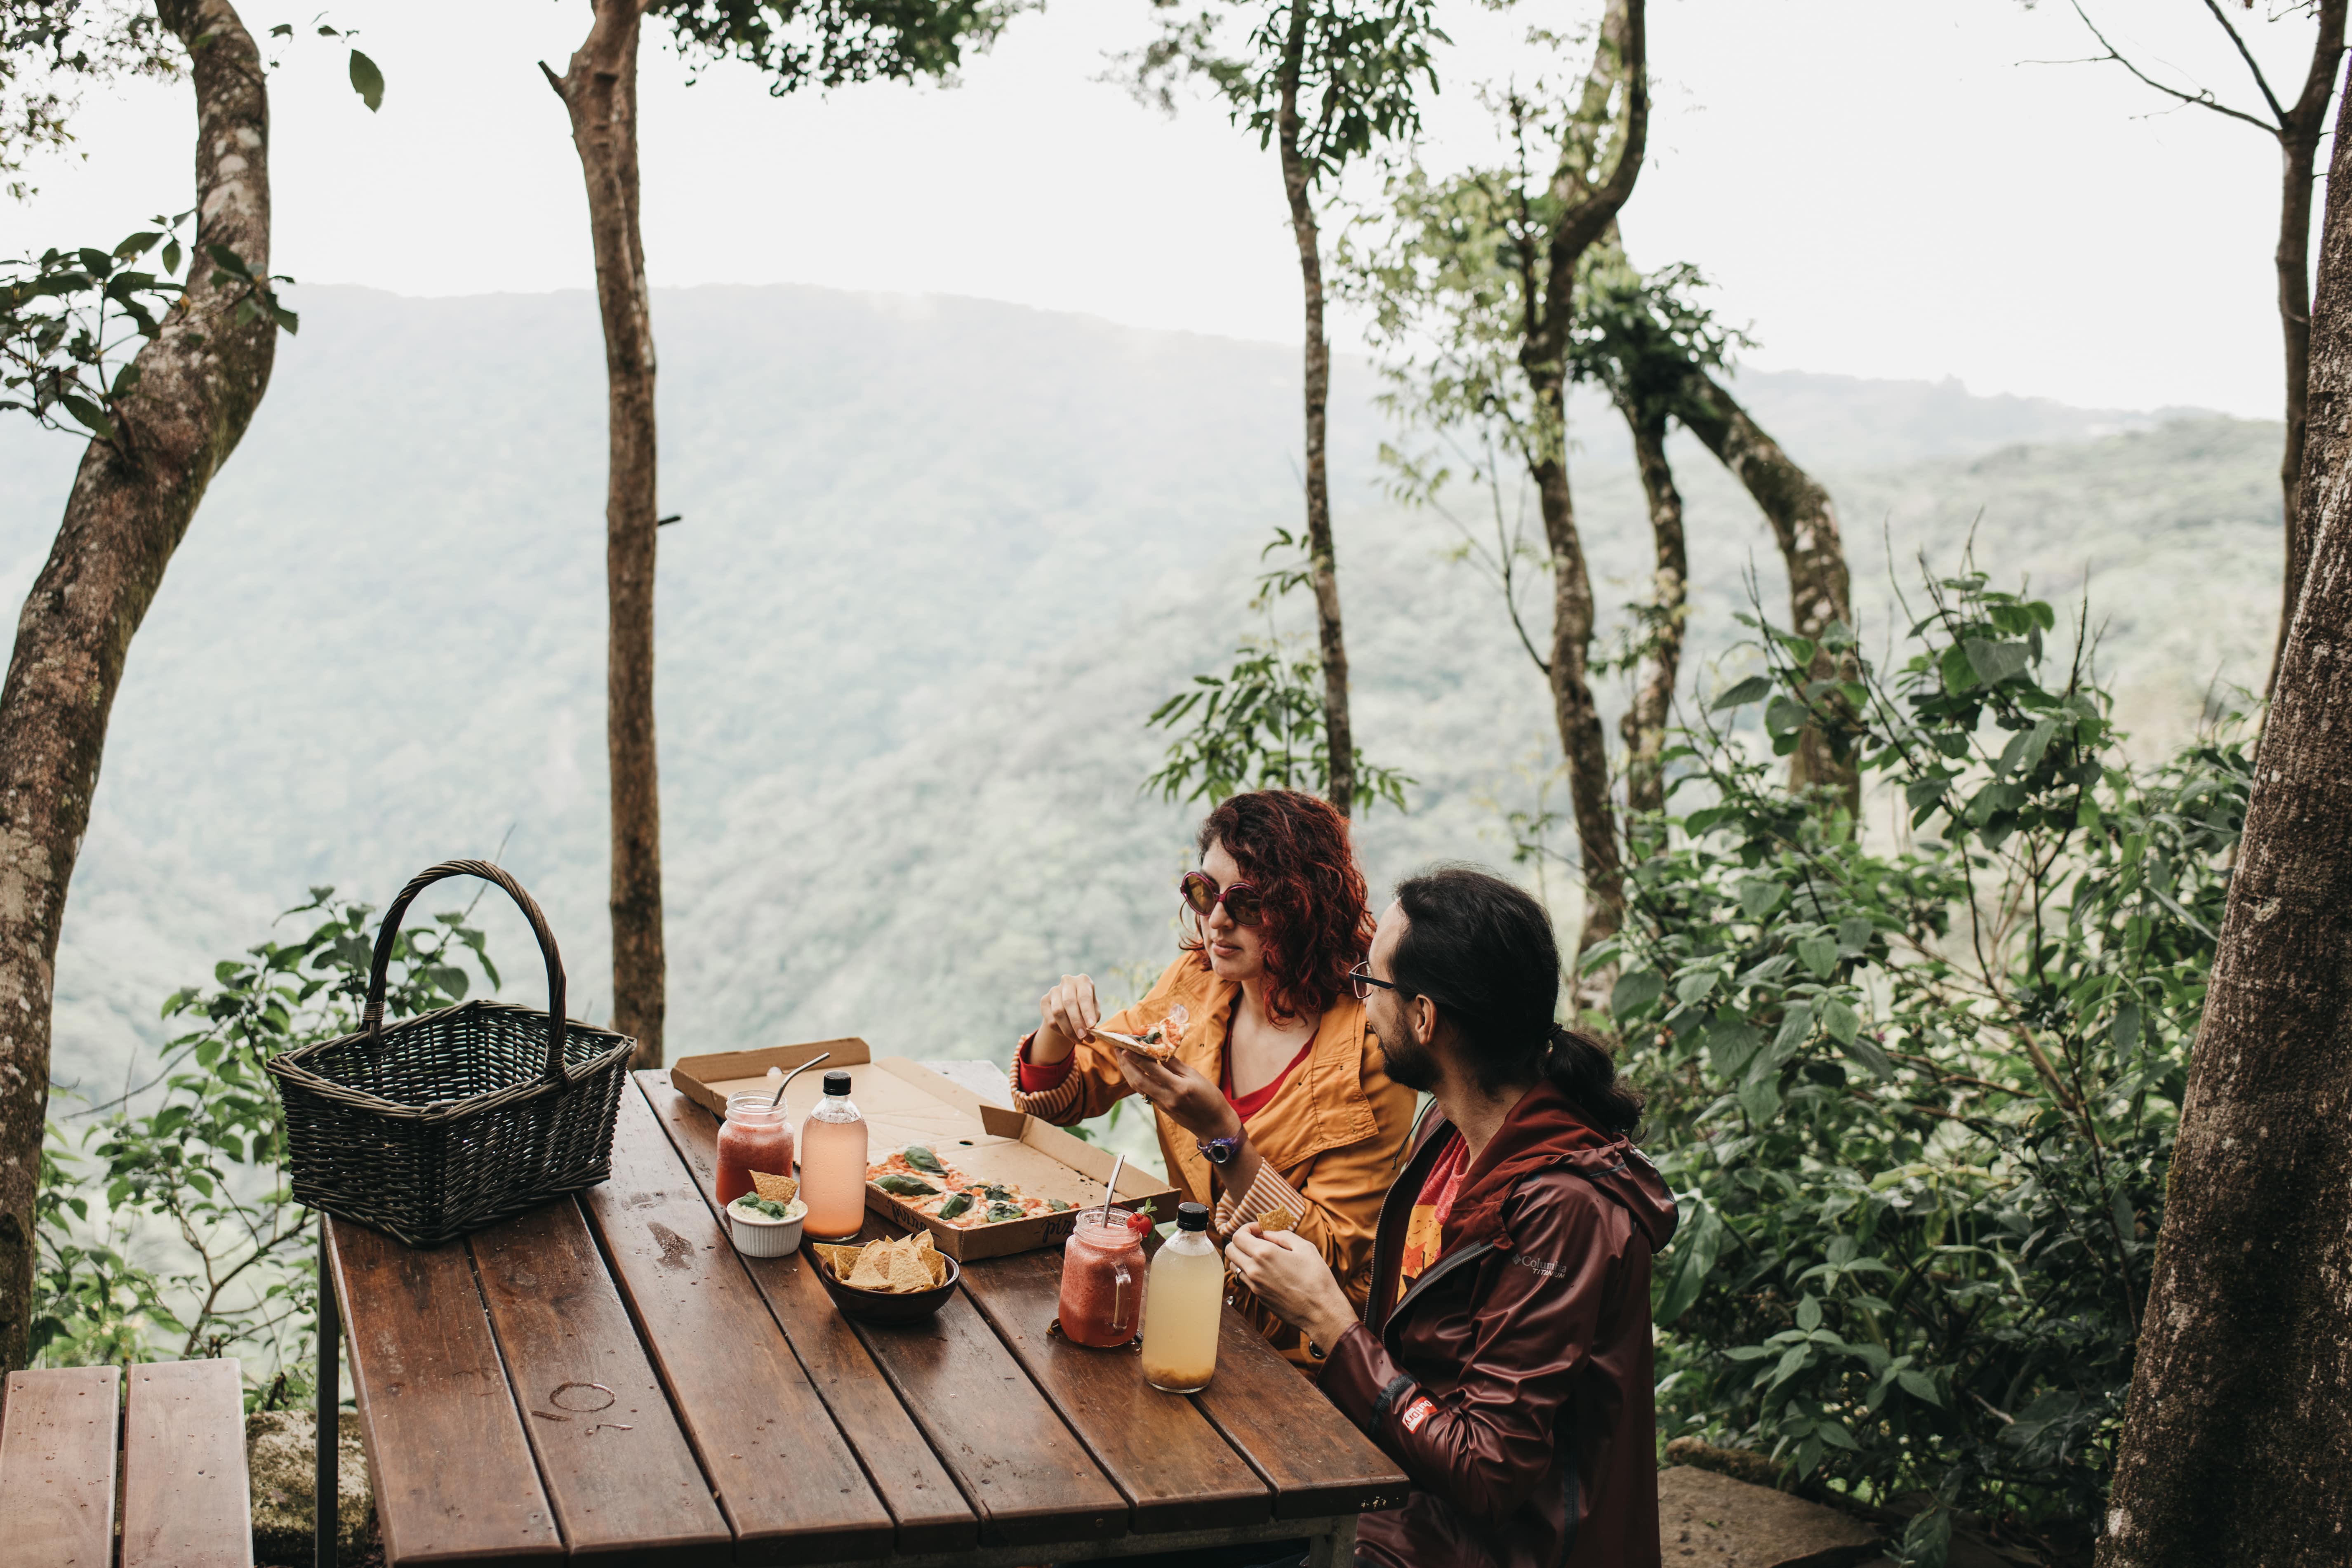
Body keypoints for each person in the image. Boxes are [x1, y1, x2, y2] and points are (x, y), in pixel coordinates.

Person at [1227, 865, 1678, 1568]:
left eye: (1369, 984)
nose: (1360, 1002)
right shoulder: (1448, 1130)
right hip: (1403, 1513)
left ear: (1425, 1017)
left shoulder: (1566, 1210)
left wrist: (1332, 1326)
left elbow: (1487, 1470)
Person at [1008, 789, 1417, 1369]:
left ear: (1306, 906)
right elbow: (1070, 1091)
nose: (1216, 920)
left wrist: (1224, 1136)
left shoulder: (1368, 1049)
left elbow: (1323, 1260)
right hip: (1201, 1305)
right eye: (1204, 892)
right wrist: (1056, 1026)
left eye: (1248, 904)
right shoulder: (1200, 983)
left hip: (1305, 1358)